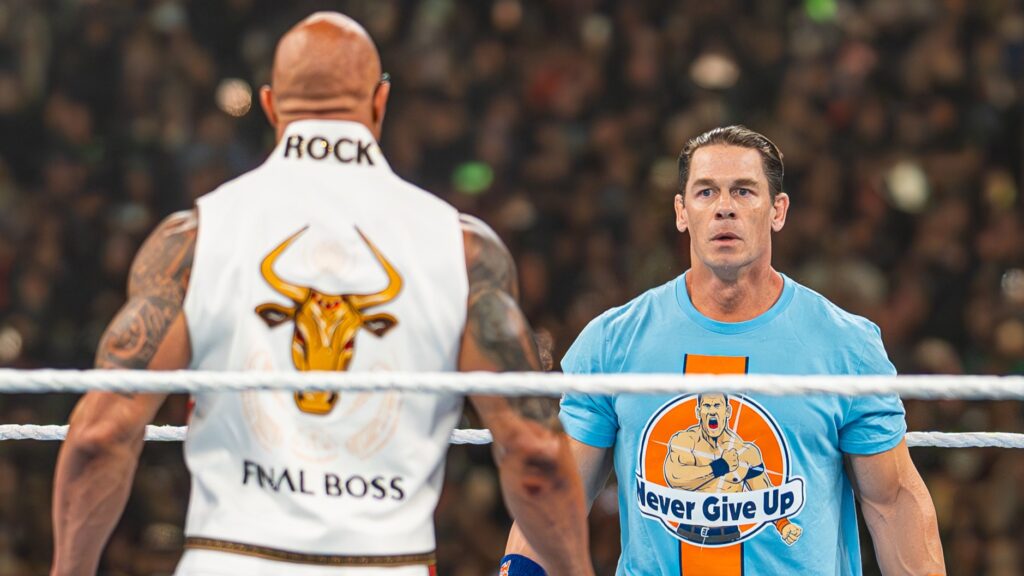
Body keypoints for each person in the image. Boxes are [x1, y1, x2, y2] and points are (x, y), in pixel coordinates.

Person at [51, 12, 592, 576]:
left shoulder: (196, 239)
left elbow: (102, 434)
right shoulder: (459, 249)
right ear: (380, 104)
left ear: (269, 107)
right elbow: (533, 453)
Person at [504, 126, 945, 575]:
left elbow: (892, 502)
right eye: (706, 192)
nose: (724, 208)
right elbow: (553, 506)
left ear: (778, 211)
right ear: (681, 212)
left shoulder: (845, 347)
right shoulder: (613, 343)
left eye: (744, 191)